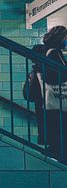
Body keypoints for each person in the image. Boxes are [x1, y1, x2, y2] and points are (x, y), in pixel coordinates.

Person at [32, 25, 67, 160]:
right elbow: (53, 75)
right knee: (60, 134)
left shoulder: (45, 51)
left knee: (54, 135)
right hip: (55, 99)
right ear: (60, 38)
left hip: (47, 100)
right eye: (65, 38)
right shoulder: (53, 52)